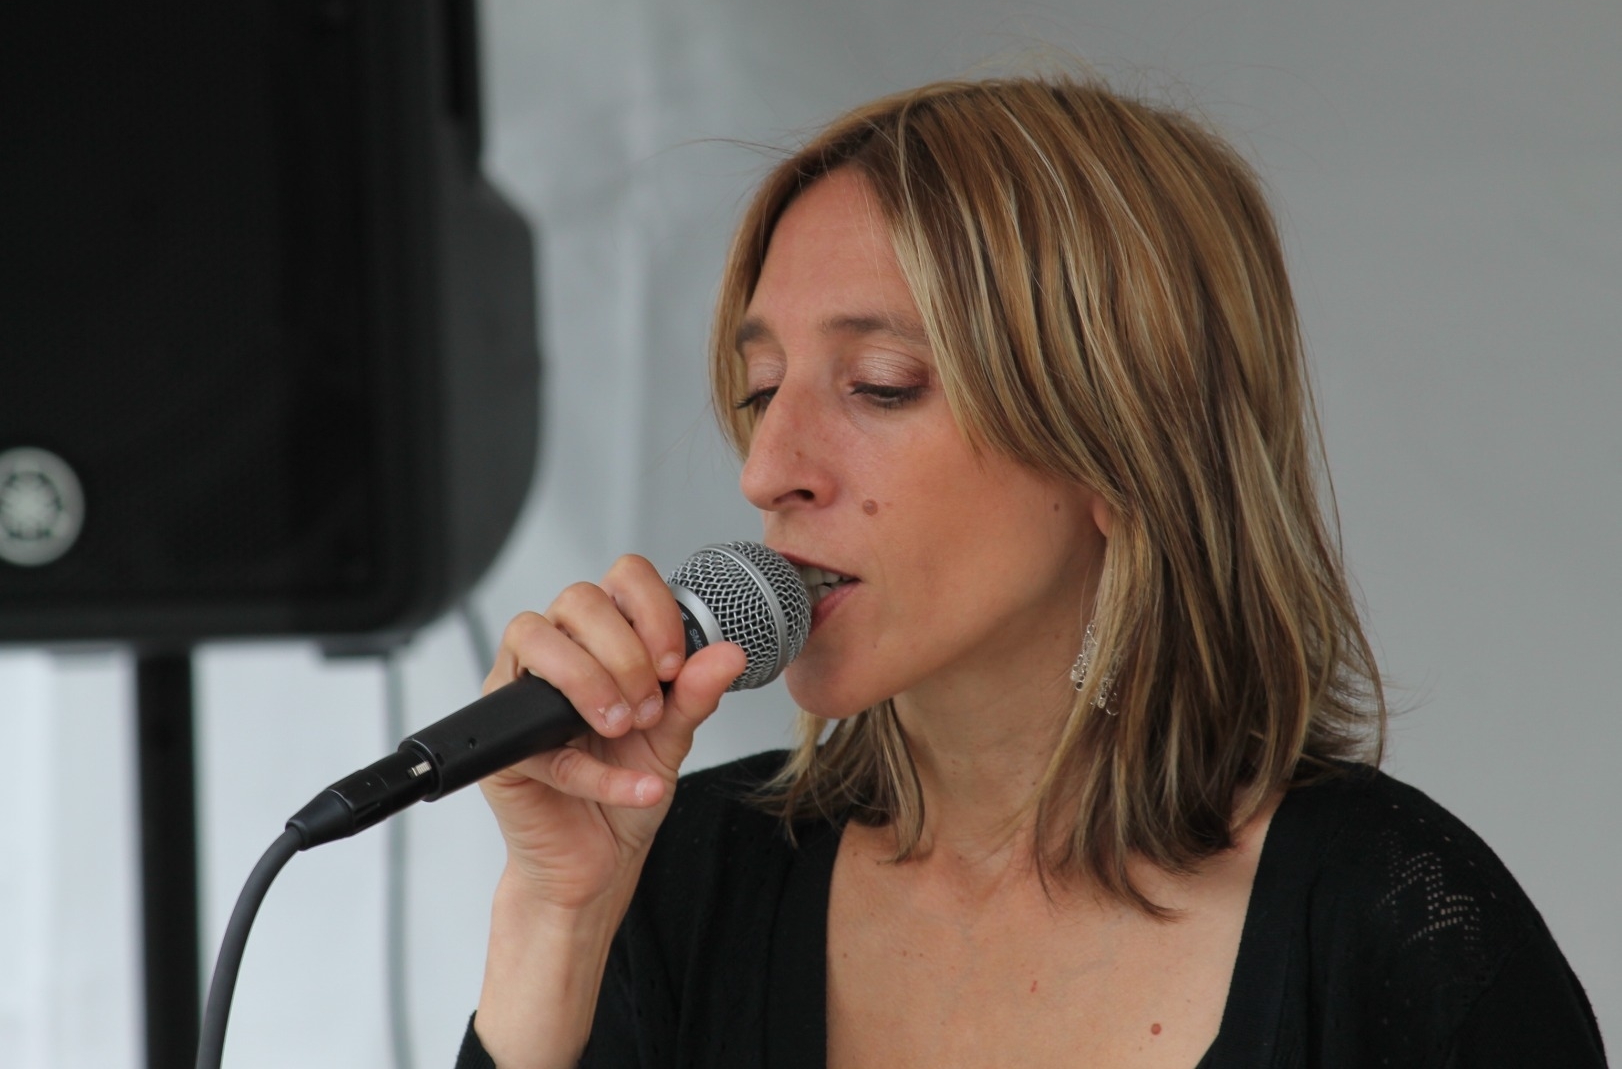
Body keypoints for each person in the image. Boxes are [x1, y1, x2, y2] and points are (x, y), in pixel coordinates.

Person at [454, 75, 1607, 1068]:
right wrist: (554, 924)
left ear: (1118, 445)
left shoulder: (1396, 925)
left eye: (880, 384)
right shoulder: (679, 880)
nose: (767, 470)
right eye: (761, 393)